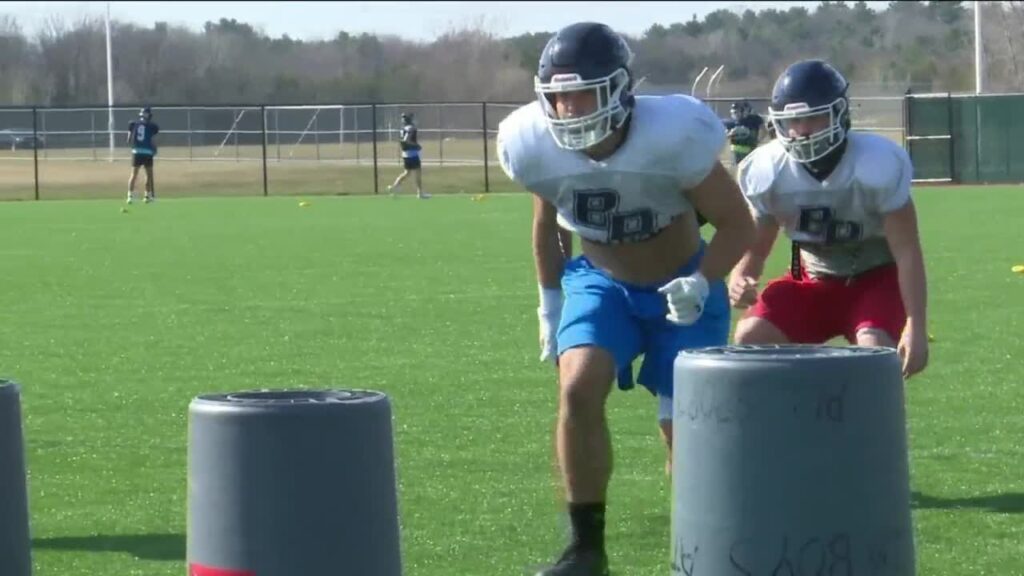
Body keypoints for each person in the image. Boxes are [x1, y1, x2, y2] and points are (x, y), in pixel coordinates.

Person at [496, 22, 756, 576]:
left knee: (684, 430)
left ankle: (707, 548)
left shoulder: (672, 135)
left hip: (681, 281)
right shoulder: (533, 145)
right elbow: (548, 230)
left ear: (618, 90)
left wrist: (704, 278)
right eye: (557, 97)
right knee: (578, 388)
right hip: (601, 281)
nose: (568, 109)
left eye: (581, 93)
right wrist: (549, 304)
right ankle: (585, 548)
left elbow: (737, 222)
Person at [730, 59, 929, 380]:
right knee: (751, 336)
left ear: (839, 114)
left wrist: (916, 325)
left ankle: (871, 427)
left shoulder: (875, 163)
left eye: (814, 117)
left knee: (874, 353)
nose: (802, 130)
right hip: (812, 279)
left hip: (875, 279)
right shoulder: (768, 170)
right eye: (793, 120)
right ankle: (800, 417)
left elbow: (907, 251)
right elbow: (756, 249)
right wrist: (740, 278)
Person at [387, 112, 429, 199]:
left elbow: (403, 141)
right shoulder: (411, 128)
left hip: (405, 154)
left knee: (407, 173)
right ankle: (420, 193)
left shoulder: (403, 128)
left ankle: (394, 187)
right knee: (417, 173)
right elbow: (406, 140)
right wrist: (416, 145)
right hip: (412, 153)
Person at [127, 107, 159, 204]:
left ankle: (130, 196)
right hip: (147, 152)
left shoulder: (133, 124)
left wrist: (134, 147)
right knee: (148, 175)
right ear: (148, 115)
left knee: (133, 175)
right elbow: (151, 140)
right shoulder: (151, 126)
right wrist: (154, 148)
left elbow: (128, 140)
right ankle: (147, 196)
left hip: (137, 152)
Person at [722, 99, 766, 168]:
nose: (735, 114)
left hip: (750, 151)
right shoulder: (730, 123)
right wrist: (730, 134)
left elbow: (763, 130)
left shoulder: (754, 120)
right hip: (736, 154)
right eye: (734, 112)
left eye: (737, 111)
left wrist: (757, 140)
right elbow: (724, 135)